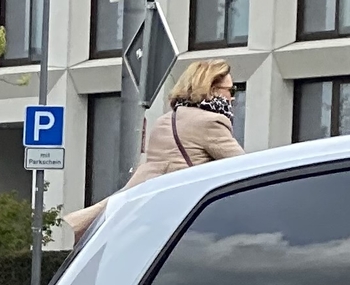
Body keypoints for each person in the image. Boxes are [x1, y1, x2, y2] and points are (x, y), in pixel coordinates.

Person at [65, 60, 243, 236]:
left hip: (156, 212)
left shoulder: (165, 120)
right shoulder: (211, 122)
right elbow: (242, 168)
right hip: (190, 215)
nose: (233, 97)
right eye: (230, 90)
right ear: (211, 90)